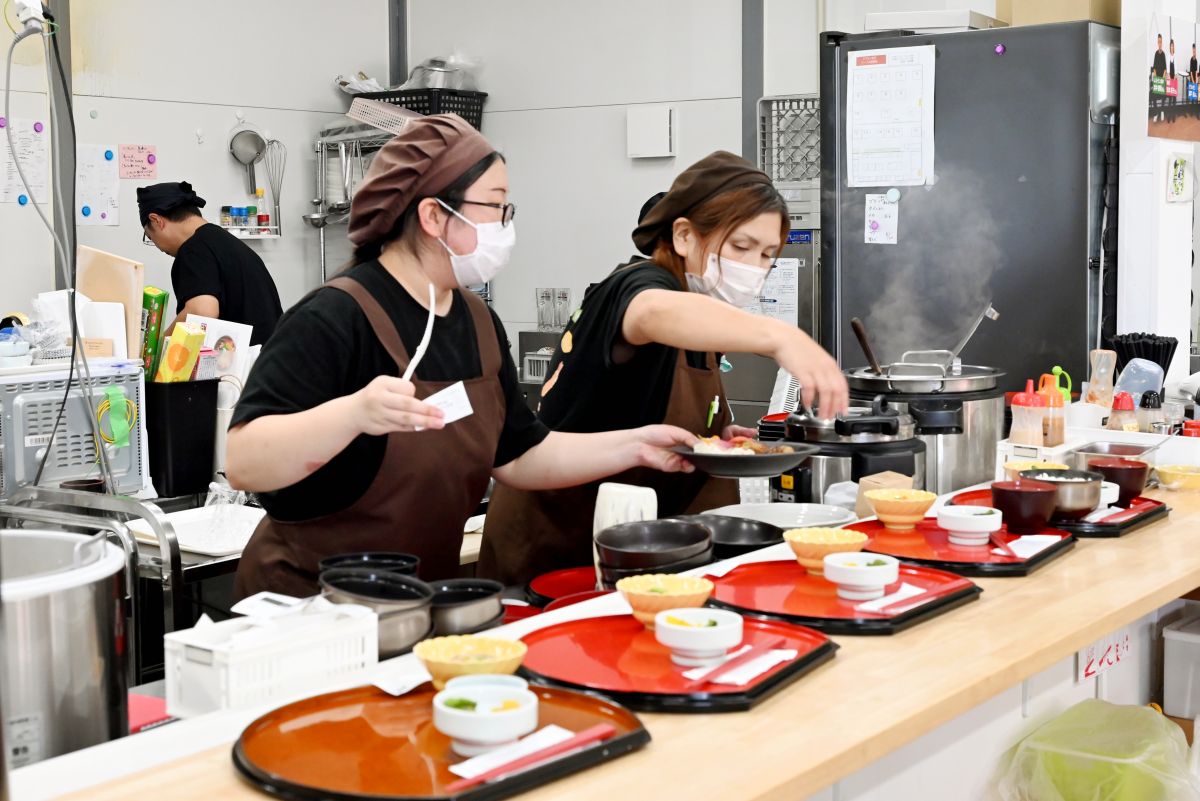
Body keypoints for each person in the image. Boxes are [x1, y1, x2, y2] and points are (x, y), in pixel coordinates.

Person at [224, 115, 698, 598]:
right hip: (308, 608)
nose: (505, 224)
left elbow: (521, 455)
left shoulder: (476, 321)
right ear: (432, 216)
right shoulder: (335, 316)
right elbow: (244, 461)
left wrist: (637, 445)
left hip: (417, 604)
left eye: (506, 208)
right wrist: (353, 414)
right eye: (494, 207)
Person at [480, 151, 849, 585]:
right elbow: (651, 312)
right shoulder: (638, 285)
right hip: (562, 541)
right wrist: (782, 337)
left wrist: (715, 440)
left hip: (640, 542)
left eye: (768, 254)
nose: (754, 268)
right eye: (740, 247)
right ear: (684, 236)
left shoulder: (702, 308)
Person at [137, 181, 283, 345]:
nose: (156, 245)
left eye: (150, 237)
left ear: (157, 220)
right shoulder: (228, 244)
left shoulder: (192, 250)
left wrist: (157, 348)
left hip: (247, 367)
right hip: (274, 358)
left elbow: (202, 312)